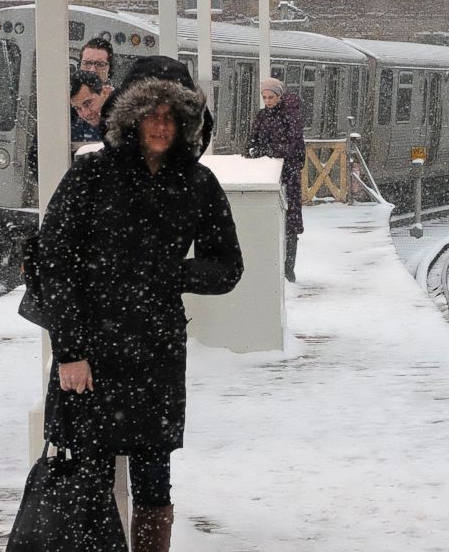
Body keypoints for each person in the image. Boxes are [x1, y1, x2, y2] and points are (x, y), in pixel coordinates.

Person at [36, 56, 242, 550]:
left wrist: (173, 273)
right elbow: (52, 265)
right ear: (129, 116)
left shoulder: (196, 183)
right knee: (87, 479)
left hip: (155, 351)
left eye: (173, 115)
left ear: (187, 121)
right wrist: (69, 352)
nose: (161, 125)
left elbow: (227, 267)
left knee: (154, 478)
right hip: (92, 351)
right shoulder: (91, 176)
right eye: (151, 113)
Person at [246, 77, 305, 282]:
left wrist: (270, 151)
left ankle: (289, 268)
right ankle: (273, 267)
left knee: (290, 223)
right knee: (271, 219)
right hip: (267, 175)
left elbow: (293, 146)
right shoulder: (262, 116)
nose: (268, 101)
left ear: (280, 96)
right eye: (265, 97)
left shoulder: (291, 116)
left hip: (288, 175)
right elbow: (252, 140)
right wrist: (253, 151)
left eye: (271, 97)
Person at [70, 70, 110, 143]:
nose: (85, 113)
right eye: (77, 108)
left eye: (88, 103)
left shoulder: (129, 118)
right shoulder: (72, 129)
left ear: (105, 92)